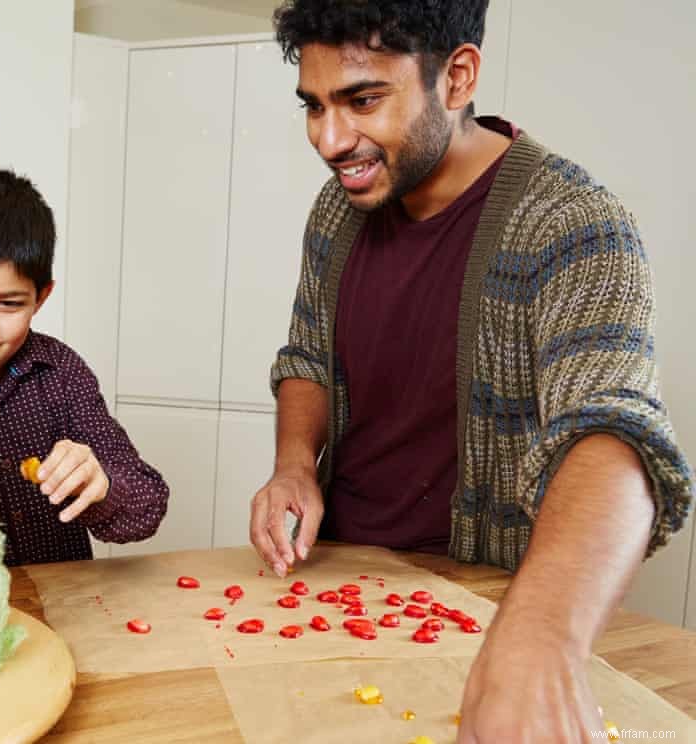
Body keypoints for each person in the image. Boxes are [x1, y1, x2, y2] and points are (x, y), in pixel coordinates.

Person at [249, 1, 693, 740]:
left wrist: (541, 639)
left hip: (491, 615)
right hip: (335, 589)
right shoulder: (337, 210)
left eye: (362, 100)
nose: (330, 140)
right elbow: (305, 356)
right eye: (314, 106)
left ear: (456, 77)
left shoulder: (576, 224)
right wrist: (295, 463)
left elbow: (615, 433)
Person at [0, 167, 168, 565]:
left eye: (9, 304)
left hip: (59, 613)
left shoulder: (61, 373)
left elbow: (147, 507)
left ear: (42, 297)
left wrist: (101, 484)